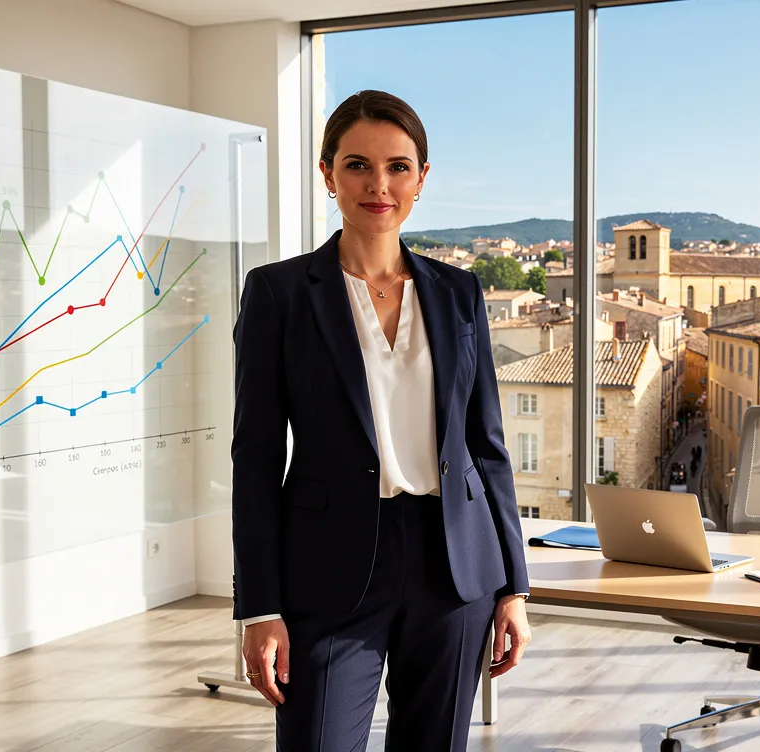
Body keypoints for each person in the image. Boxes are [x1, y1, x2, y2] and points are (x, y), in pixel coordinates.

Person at [231, 90, 532, 751]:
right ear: (328, 174)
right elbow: (254, 458)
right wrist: (258, 607)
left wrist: (513, 587)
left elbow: (487, 447)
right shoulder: (278, 294)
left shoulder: (459, 293)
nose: (379, 185)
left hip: (453, 565)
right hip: (327, 565)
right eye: (358, 165)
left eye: (398, 166)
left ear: (422, 179)